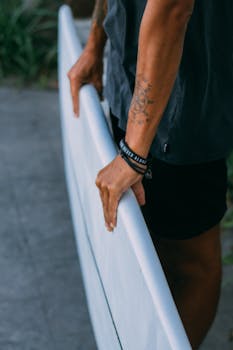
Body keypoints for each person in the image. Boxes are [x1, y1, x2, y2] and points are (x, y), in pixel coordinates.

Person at [67, 1, 233, 348]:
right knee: (150, 247)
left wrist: (132, 154)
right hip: (129, 74)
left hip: (183, 104)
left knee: (192, 265)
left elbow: (172, 8)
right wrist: (96, 43)